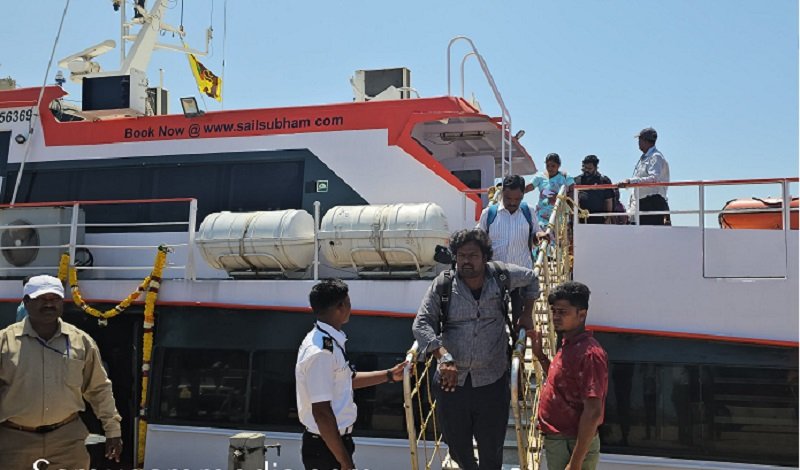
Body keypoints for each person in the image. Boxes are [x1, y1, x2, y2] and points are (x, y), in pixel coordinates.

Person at [413, 228, 540, 470]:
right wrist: (442, 355)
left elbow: (532, 278)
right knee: (456, 446)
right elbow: (421, 323)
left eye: (472, 255)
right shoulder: (443, 285)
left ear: (485, 257)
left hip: (492, 380)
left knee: (491, 450)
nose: (466, 261)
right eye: (461, 256)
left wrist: (527, 313)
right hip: (452, 383)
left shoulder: (501, 276)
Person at [0, 274, 123, 470]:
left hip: (67, 441)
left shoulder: (81, 341)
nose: (49, 304)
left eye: (55, 298)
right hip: (14, 442)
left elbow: (99, 389)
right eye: (41, 299)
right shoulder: (4, 342)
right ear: (26, 302)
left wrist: (113, 431)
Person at [295, 279, 405, 470]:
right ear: (341, 306)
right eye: (348, 302)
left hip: (333, 443)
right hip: (326, 448)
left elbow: (347, 380)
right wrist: (345, 462)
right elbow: (321, 412)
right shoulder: (321, 352)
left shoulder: (327, 340)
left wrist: (389, 375)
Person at [530, 281, 608, 470]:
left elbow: (593, 411)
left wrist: (575, 463)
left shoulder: (589, 354)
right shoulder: (569, 344)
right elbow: (562, 383)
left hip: (571, 443)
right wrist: (540, 356)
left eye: (562, 312)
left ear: (581, 315)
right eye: (554, 311)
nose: (556, 317)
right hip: (559, 440)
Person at [478, 175, 546, 329]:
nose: (513, 203)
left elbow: (536, 232)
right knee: (492, 323)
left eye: (518, 199)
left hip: (522, 275)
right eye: (508, 198)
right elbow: (477, 239)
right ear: (502, 192)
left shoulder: (528, 211)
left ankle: (518, 341)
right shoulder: (489, 213)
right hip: (495, 276)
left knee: (520, 322)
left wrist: (540, 236)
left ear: (523, 195)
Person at [618, 127, 671, 225]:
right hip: (643, 202)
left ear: (646, 141)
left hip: (653, 202)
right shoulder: (646, 157)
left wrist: (630, 181)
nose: (638, 143)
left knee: (651, 231)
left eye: (640, 140)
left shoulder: (655, 156)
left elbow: (654, 178)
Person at [527, 153, 575, 228]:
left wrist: (572, 214)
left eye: (553, 166)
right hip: (542, 217)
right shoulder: (539, 177)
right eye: (548, 166)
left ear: (558, 165)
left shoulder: (565, 176)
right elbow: (528, 188)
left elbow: (574, 193)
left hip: (559, 216)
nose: (550, 168)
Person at [574, 155, 614, 224]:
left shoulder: (604, 180)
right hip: (581, 218)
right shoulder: (577, 180)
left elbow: (608, 201)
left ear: (596, 168)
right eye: (585, 168)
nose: (587, 170)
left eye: (589, 168)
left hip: (599, 218)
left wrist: (608, 218)